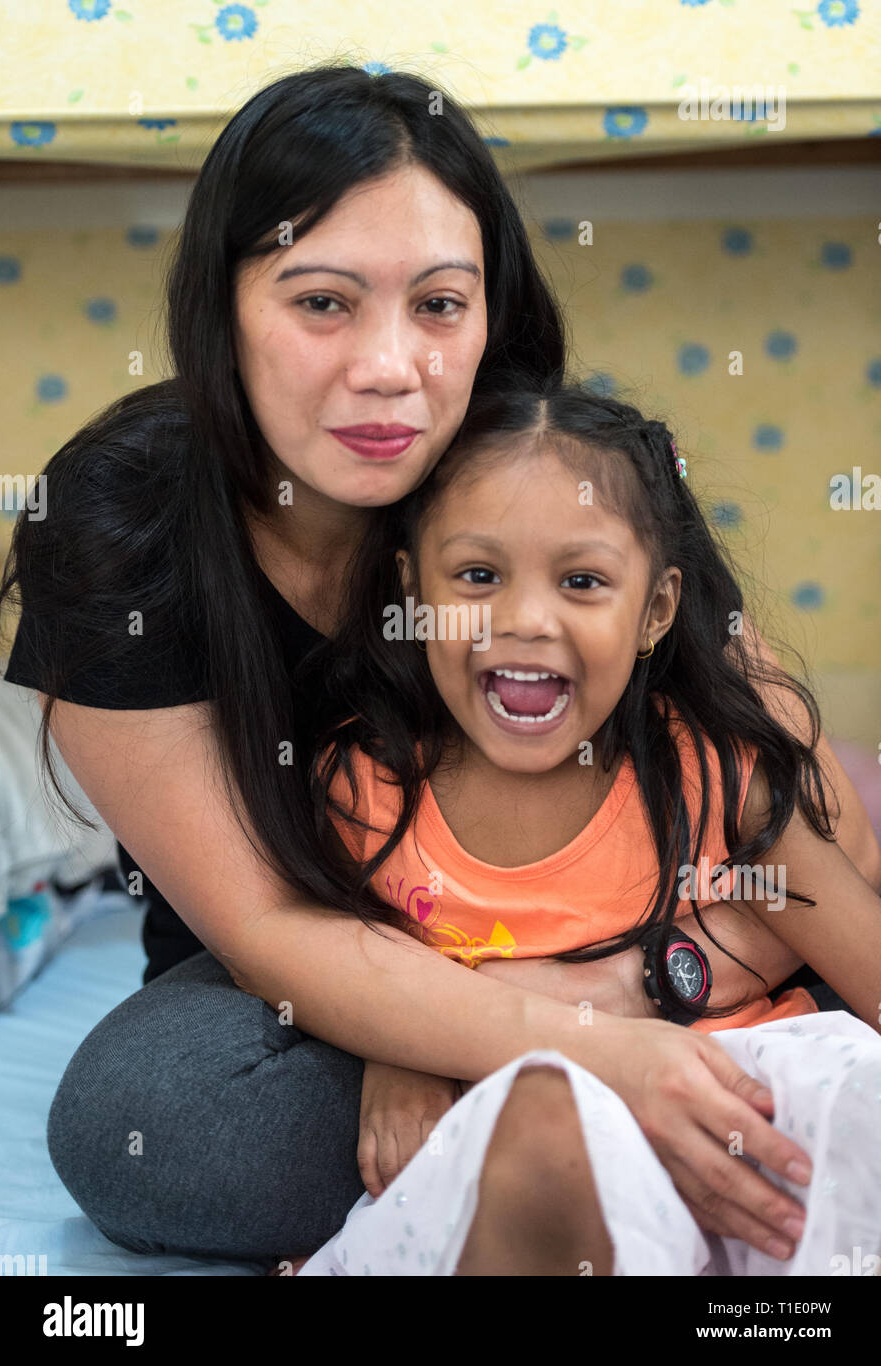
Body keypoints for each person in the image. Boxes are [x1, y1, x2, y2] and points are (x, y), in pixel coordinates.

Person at [0, 65, 878, 1274]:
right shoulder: (121, 523)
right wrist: (469, 1033)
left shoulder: (544, 463)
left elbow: (815, 823)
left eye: (440, 305)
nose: (391, 369)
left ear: (490, 310)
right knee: (143, 1118)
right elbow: (269, 932)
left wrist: (607, 998)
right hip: (312, 988)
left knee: (829, 1019)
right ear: (222, 303)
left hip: (642, 927)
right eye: (322, 302)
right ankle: (588, 1135)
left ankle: (565, 1136)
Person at [292, 380, 881, 1275]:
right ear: (412, 589)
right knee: (547, 1121)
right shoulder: (361, 790)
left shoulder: (714, 772)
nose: (527, 620)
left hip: (750, 1141)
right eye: (479, 575)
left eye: (582, 581)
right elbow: (334, 974)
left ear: (656, 610)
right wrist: (394, 1053)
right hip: (541, 1157)